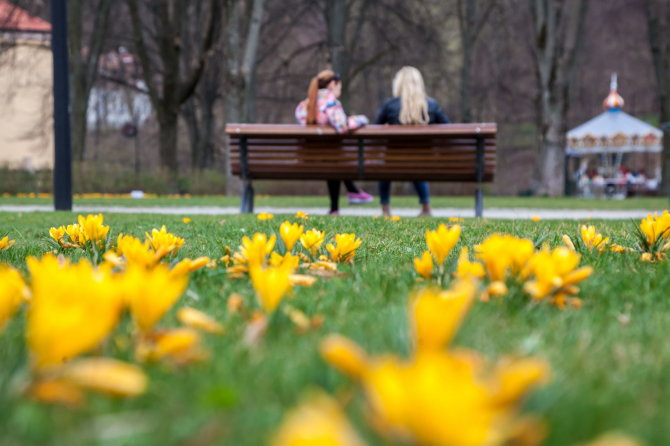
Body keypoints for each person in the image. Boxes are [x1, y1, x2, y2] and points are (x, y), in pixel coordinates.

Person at [374, 66, 450, 216]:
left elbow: (374, 127)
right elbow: (449, 128)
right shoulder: (432, 105)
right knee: (417, 164)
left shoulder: (389, 105)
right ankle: (426, 207)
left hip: (393, 161)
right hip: (423, 161)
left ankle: (385, 208)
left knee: (386, 168)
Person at [295, 70, 373, 215]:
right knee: (335, 158)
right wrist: (362, 119)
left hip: (308, 157)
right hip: (328, 157)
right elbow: (342, 126)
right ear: (332, 84)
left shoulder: (305, 104)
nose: (340, 91)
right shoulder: (329, 101)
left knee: (334, 158)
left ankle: (337, 206)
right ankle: (352, 191)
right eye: (339, 87)